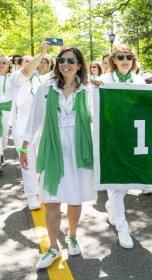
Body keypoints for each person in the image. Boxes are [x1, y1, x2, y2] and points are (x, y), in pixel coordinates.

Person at [20, 46, 97, 269]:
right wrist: (24, 149)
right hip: (52, 149)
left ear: (80, 65)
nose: (66, 64)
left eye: (72, 61)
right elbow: (34, 120)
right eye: (62, 60)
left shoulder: (89, 90)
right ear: (57, 63)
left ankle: (72, 235)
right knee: (52, 202)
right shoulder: (45, 87)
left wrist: (103, 90)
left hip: (78, 151)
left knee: (75, 200)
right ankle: (53, 248)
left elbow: (100, 117)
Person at [95, 44, 145, 249]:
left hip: (134, 137)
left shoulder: (140, 81)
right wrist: (94, 88)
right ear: (113, 60)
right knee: (116, 182)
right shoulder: (104, 81)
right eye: (121, 57)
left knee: (128, 181)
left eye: (129, 57)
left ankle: (111, 208)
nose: (125, 60)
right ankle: (122, 227)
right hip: (111, 138)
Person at [10, 44, 54, 211]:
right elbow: (27, 72)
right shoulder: (16, 78)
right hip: (22, 127)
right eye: (27, 61)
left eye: (36, 60)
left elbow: (56, 73)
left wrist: (63, 50)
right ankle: (31, 195)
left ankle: (40, 191)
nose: (34, 63)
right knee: (28, 161)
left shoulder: (39, 80)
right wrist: (41, 53)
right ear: (21, 64)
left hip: (40, 125)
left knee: (41, 158)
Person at [0, 54, 12, 173]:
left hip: (6, 109)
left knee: (4, 134)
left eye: (4, 62)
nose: (2, 65)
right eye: (0, 62)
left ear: (9, 65)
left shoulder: (12, 78)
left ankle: (2, 153)